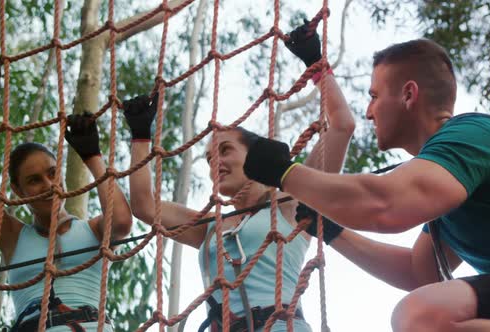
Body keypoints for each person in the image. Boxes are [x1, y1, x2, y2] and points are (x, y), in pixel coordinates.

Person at [242, 39, 490, 332]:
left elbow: (384, 204)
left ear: (408, 94)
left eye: (374, 96)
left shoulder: (471, 137)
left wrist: (284, 173)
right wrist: (332, 231)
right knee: (423, 313)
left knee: (421, 316)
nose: (369, 112)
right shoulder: (447, 183)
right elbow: (419, 272)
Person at [124, 20, 355, 332]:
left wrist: (316, 65)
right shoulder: (209, 228)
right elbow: (144, 207)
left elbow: (341, 126)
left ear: (255, 155)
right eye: (208, 158)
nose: (214, 163)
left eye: (225, 150)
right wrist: (140, 137)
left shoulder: (290, 201)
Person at [0, 61, 133, 331]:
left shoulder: (92, 230)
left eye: (53, 173)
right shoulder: (11, 235)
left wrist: (92, 157)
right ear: (17, 191)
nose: (48, 184)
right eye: (34, 180)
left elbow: (122, 223)